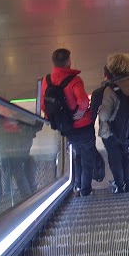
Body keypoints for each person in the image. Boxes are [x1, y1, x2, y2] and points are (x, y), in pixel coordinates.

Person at [42, 48, 95, 196]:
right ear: (68, 62)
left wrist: (49, 116)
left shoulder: (47, 81)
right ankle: (85, 190)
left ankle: (78, 185)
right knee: (87, 157)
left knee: (78, 153)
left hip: (66, 127)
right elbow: (83, 100)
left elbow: (43, 103)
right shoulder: (74, 80)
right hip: (82, 125)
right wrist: (81, 111)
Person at [97, 52, 129, 193]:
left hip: (112, 131)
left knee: (114, 157)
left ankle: (119, 184)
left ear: (112, 69)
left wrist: (100, 111)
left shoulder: (111, 89)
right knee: (125, 154)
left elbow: (104, 114)